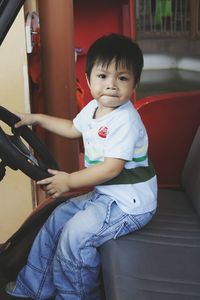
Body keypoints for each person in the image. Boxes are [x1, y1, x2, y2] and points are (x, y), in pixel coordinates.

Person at [6, 33, 157, 300]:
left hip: (129, 204)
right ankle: (34, 287)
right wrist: (35, 118)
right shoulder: (93, 108)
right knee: (55, 222)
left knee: (74, 237)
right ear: (88, 80)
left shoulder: (126, 121)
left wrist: (69, 181)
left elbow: (111, 169)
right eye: (103, 77)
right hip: (106, 196)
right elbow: (72, 128)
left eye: (122, 78)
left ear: (135, 84)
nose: (111, 85)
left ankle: (75, 296)